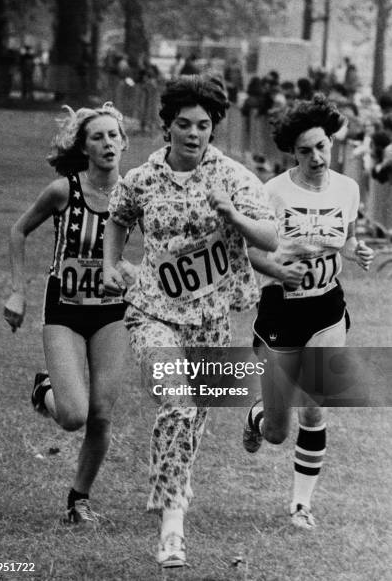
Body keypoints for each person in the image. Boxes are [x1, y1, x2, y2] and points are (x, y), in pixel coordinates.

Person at [102, 74, 278, 567]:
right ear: (167, 127)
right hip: (152, 311)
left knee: (190, 421)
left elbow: (268, 238)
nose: (194, 134)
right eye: (184, 124)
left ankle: (171, 497)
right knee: (177, 402)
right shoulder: (142, 178)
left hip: (210, 321)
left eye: (203, 125)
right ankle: (172, 527)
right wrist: (111, 266)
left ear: (213, 129)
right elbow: (119, 216)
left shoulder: (235, 178)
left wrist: (234, 217)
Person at [242, 94, 374, 529]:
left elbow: (348, 238)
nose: (316, 157)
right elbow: (253, 252)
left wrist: (358, 251)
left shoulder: (347, 188)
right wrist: (282, 261)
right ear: (292, 153)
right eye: (305, 150)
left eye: (321, 146)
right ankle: (258, 414)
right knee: (277, 432)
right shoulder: (273, 192)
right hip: (281, 312)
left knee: (315, 407)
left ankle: (301, 505)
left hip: (326, 308)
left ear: (331, 142)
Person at [4, 102, 133, 524]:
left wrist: (136, 270)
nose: (107, 143)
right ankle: (45, 391)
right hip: (65, 309)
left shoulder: (134, 194)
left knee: (101, 415)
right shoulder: (64, 190)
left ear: (123, 142)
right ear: (85, 147)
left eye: (113, 135)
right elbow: (19, 230)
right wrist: (17, 292)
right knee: (74, 416)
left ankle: (78, 501)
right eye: (98, 136)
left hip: (112, 311)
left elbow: (163, 245)